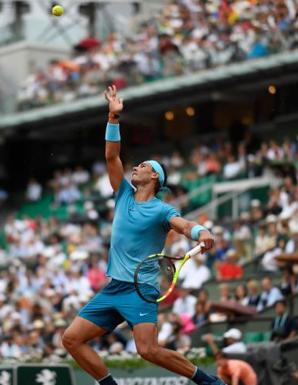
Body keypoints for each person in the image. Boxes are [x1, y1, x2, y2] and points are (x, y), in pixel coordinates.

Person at [62, 86, 223, 385]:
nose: (136, 167)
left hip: (140, 288)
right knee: (71, 339)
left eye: (144, 166)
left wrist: (202, 231)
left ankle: (209, 381)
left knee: (147, 350)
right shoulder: (123, 193)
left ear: (154, 177)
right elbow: (112, 157)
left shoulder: (162, 210)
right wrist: (113, 116)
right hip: (114, 288)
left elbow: (185, 225)